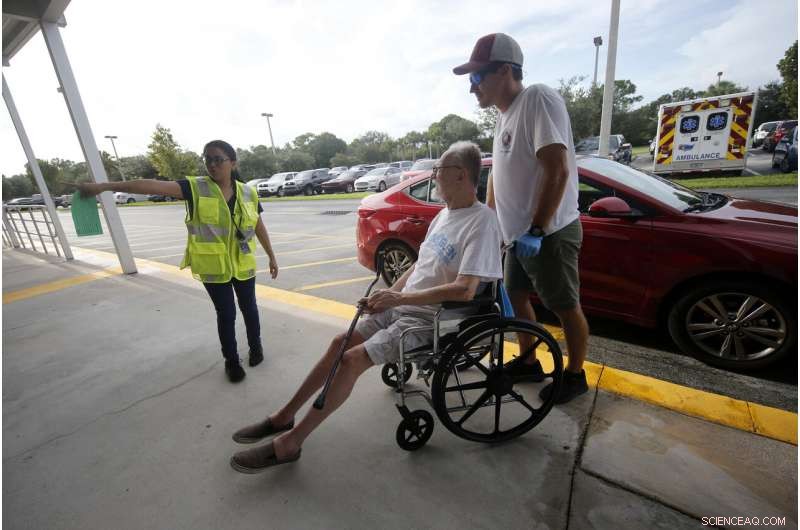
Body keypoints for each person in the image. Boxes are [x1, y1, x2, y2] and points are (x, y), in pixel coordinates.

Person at [229, 141, 503, 473]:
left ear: (460, 175)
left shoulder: (482, 222)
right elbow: (419, 268)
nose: (433, 176)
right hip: (406, 306)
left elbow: (466, 289)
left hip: (435, 318)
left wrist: (400, 299)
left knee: (351, 360)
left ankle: (290, 444)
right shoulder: (444, 215)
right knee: (338, 343)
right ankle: (284, 417)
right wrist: (386, 295)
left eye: (438, 170)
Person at [452, 33, 590, 404]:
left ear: (506, 71)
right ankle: (529, 361)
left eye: (477, 77)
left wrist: (538, 229)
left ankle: (575, 375)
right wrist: (492, 222)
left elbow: (556, 169)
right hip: (517, 236)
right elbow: (498, 176)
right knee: (515, 296)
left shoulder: (538, 99)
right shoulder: (503, 117)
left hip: (549, 232)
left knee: (564, 305)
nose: (472, 87)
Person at [76, 140, 279, 383]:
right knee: (226, 314)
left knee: (250, 308)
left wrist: (271, 255)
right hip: (213, 267)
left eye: (218, 159)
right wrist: (104, 186)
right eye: (208, 159)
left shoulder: (248, 192)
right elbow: (148, 185)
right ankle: (232, 361)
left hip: (243, 263)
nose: (212, 165)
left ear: (232, 163)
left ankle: (256, 348)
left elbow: (257, 224)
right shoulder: (195, 187)